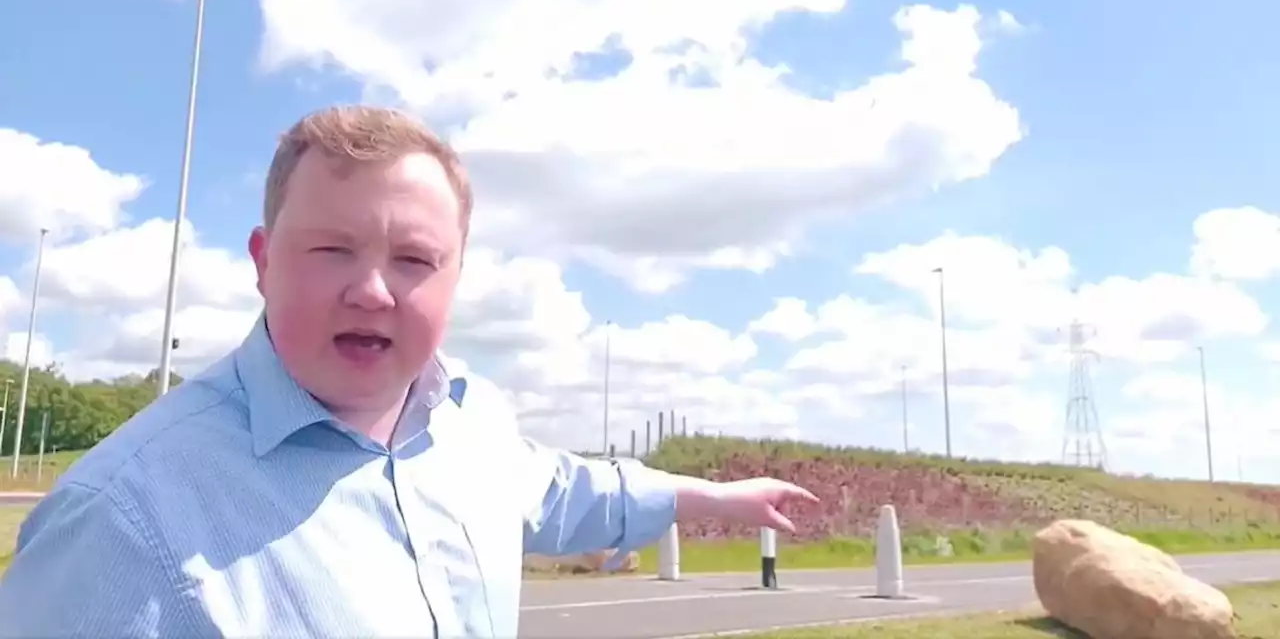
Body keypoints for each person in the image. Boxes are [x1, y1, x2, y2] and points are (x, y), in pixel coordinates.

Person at [0, 105, 818, 638]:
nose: (371, 290)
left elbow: (561, 493)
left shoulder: (469, 423)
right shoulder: (119, 523)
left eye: (415, 259)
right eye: (331, 250)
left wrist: (712, 498)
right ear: (262, 262)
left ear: (456, 278)